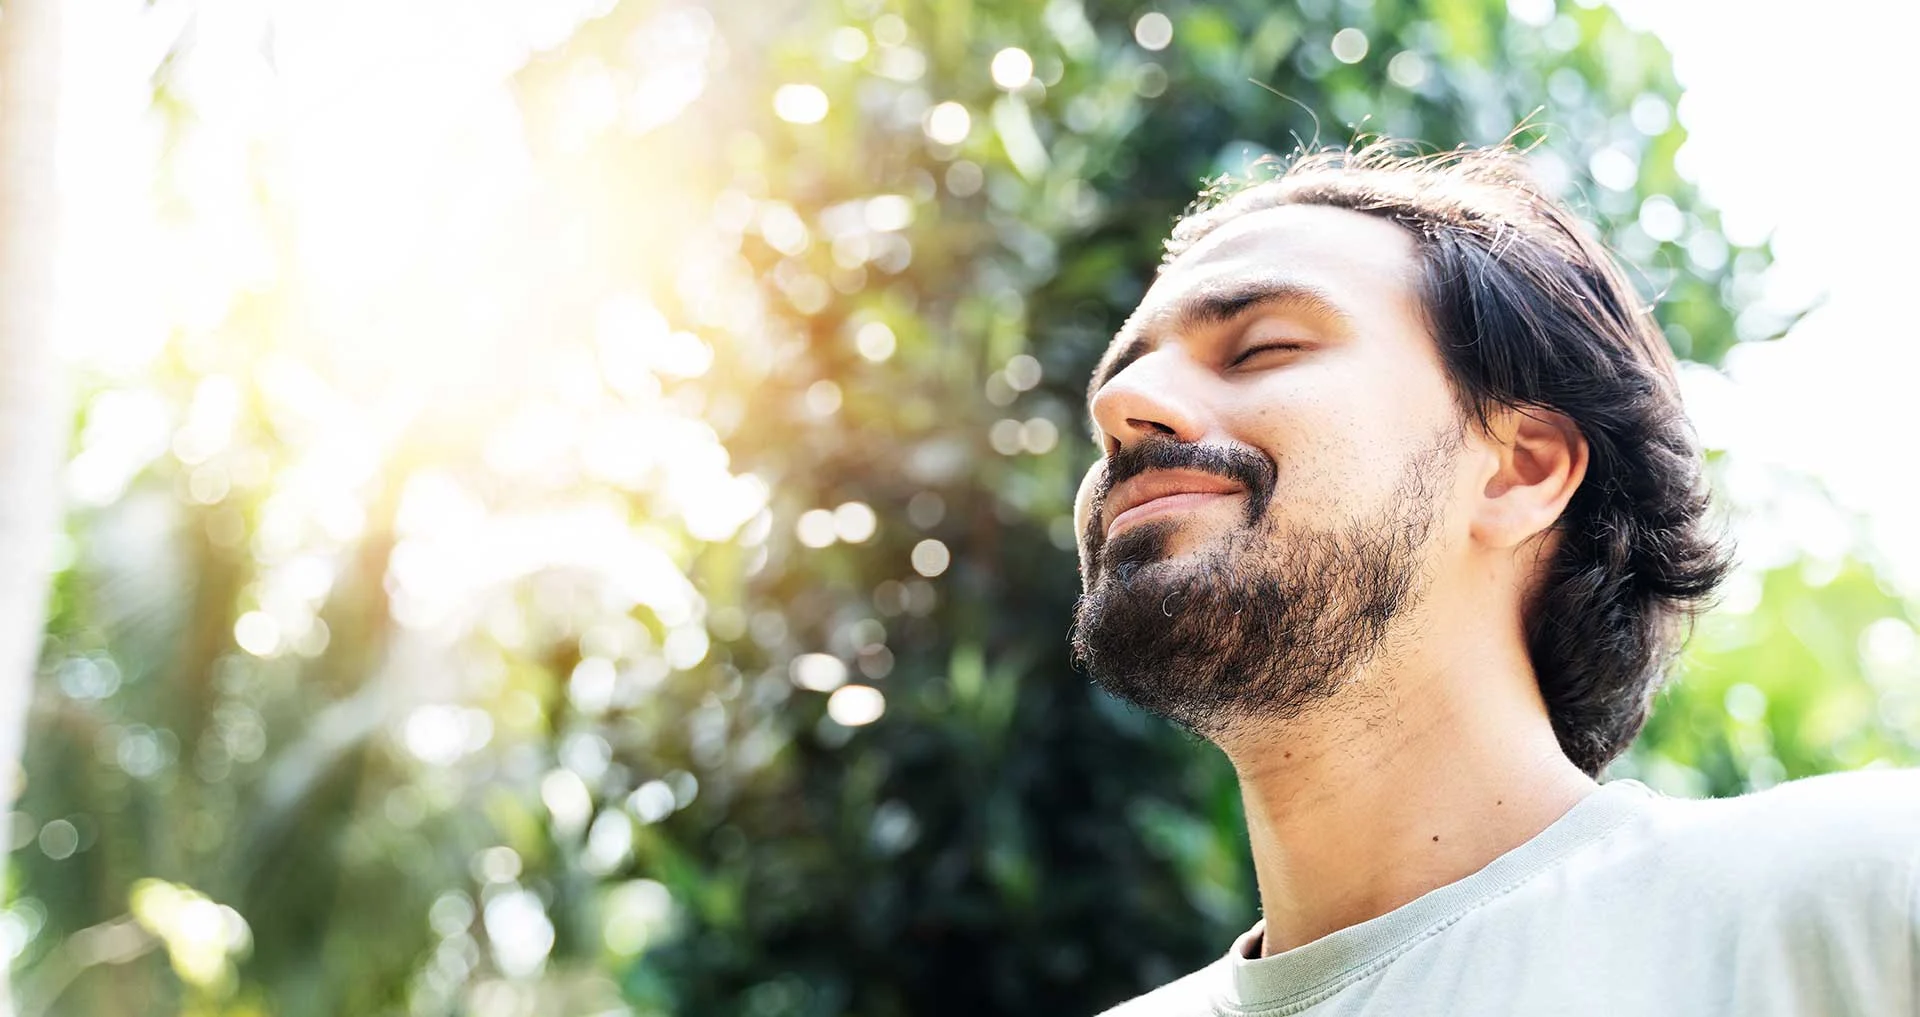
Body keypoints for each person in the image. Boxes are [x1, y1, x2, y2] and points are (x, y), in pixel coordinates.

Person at [1070, 141, 1920, 1016]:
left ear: (1521, 470)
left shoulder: (1864, 897)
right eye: (1122, 374)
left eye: (1262, 347)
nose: (1119, 405)